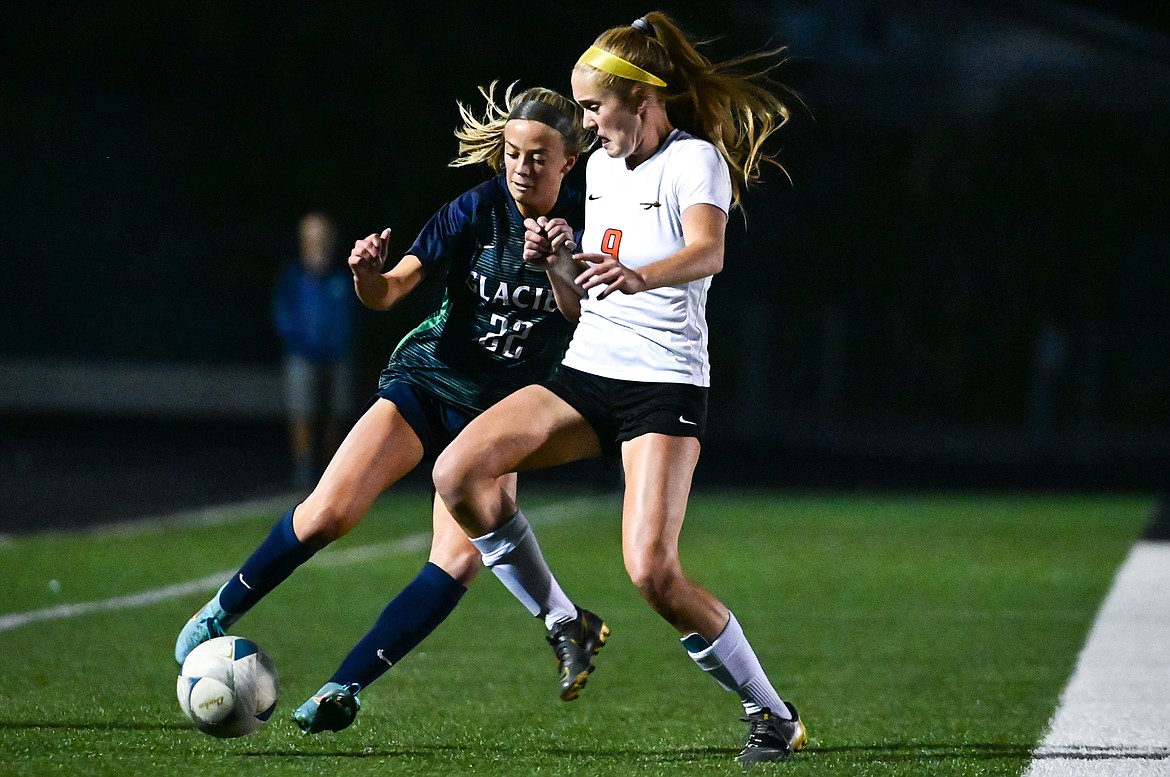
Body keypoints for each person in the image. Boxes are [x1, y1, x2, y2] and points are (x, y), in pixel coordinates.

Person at [433, 13, 806, 765]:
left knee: (653, 571)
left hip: (663, 386)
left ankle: (772, 712)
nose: (587, 123)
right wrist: (556, 263)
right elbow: (580, 303)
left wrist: (642, 273)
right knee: (459, 471)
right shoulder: (602, 166)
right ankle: (563, 618)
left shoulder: (693, 160)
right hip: (589, 371)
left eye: (597, 108)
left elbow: (709, 251)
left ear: (643, 100)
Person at [173, 81, 596, 734]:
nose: (520, 167)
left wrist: (560, 262)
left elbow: (579, 312)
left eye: (538, 156)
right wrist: (368, 276)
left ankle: (346, 685)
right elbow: (392, 289)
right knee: (328, 512)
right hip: (427, 382)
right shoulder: (473, 210)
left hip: (498, 417)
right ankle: (217, 613)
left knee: (456, 560)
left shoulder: (588, 220)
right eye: (512, 152)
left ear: (569, 161)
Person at [272, 212, 358, 486]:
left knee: (339, 411)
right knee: (301, 410)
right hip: (301, 353)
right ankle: (304, 467)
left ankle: (331, 467)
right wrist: (297, 342)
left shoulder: (342, 277)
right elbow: (283, 313)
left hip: (338, 354)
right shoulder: (293, 278)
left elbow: (353, 314)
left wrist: (343, 342)